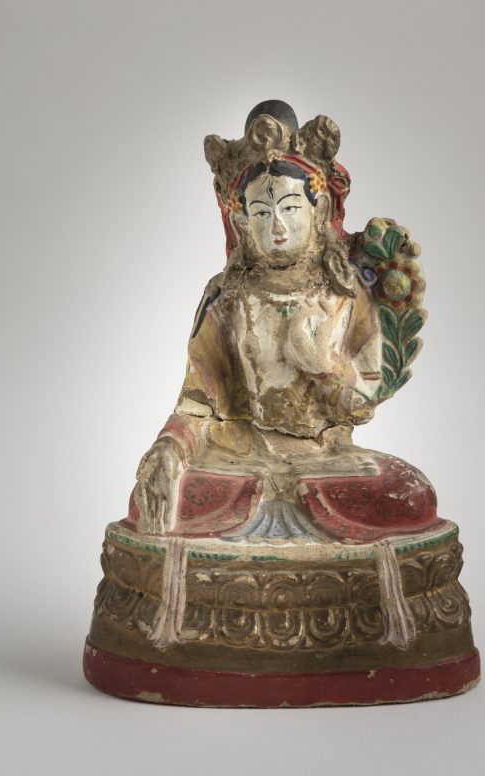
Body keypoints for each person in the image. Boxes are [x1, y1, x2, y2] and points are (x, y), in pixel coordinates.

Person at [134, 101, 429, 537]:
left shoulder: (344, 292)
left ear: (319, 208)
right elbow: (198, 402)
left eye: (290, 208)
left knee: (406, 495)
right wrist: (168, 449)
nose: (277, 227)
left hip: (326, 460)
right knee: (168, 497)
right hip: (243, 459)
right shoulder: (228, 297)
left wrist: (324, 369)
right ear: (241, 221)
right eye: (261, 212)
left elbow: (363, 397)